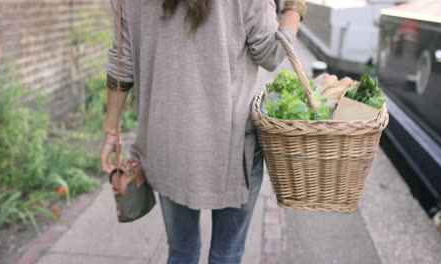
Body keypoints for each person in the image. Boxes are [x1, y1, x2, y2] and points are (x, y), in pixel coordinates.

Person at [100, 0, 306, 263]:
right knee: (226, 254)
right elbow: (272, 53)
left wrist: (111, 132)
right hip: (232, 148)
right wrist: (295, 8)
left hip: (166, 143)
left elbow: (122, 62)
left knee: (181, 252)